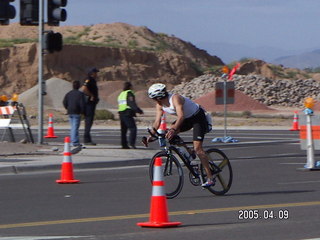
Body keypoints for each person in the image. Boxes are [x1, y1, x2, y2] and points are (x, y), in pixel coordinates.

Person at [146, 83, 214, 187]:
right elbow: (157, 122)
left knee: (198, 149)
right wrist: (150, 136)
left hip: (198, 118)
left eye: (153, 98)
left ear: (158, 97)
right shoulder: (159, 105)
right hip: (187, 119)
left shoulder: (175, 98)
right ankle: (190, 154)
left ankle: (210, 178)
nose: (154, 101)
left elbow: (181, 116)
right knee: (169, 135)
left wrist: (173, 129)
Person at [117, 81, 144, 149]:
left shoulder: (121, 93)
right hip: (127, 112)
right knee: (133, 128)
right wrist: (138, 110)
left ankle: (124, 144)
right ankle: (132, 143)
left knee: (123, 130)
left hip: (121, 113)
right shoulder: (129, 93)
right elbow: (131, 103)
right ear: (130, 87)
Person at [63, 80, 86, 148]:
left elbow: (64, 102)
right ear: (79, 86)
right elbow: (82, 104)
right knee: (75, 127)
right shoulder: (80, 94)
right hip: (76, 112)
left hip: (70, 111)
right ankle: (74, 142)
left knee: (73, 127)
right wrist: (82, 111)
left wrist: (67, 108)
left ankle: (74, 140)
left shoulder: (69, 93)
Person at [80, 67, 100, 145]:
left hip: (91, 104)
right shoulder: (89, 79)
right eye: (95, 72)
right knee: (88, 121)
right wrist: (91, 95)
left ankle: (88, 139)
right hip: (89, 104)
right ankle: (86, 140)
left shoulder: (92, 80)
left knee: (89, 122)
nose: (96, 74)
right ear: (92, 73)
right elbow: (84, 88)